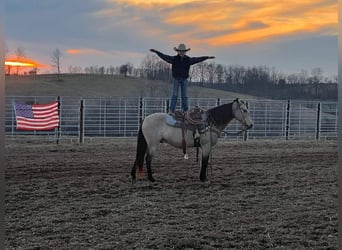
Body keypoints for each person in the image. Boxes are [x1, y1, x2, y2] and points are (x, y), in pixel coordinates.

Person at [149, 43, 215, 114]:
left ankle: (185, 110)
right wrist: (156, 52)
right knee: (175, 95)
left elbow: (197, 59)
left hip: (184, 79)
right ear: (178, 51)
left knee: (185, 96)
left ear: (185, 52)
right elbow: (165, 57)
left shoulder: (188, 60)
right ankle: (171, 110)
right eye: (180, 51)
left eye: (183, 51)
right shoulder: (174, 59)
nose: (182, 52)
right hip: (176, 78)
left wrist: (206, 57)